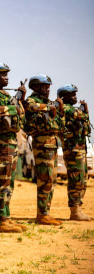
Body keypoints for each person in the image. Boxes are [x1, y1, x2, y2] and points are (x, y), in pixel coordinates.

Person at [0, 63, 28, 233]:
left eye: (7, 74)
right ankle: (0, 220)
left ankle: (6, 218)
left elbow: (18, 115)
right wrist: (13, 108)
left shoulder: (5, 95)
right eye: (2, 74)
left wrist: (20, 102)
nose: (6, 77)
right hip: (0, 142)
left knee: (8, 182)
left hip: (10, 141)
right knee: (2, 182)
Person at [23, 74, 64, 226]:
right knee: (44, 179)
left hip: (52, 143)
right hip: (42, 144)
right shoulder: (32, 100)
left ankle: (46, 212)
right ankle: (42, 215)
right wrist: (52, 107)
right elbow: (30, 107)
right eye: (44, 86)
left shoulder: (49, 103)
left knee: (51, 180)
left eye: (48, 86)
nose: (47, 89)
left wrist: (58, 109)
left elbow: (59, 123)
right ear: (34, 87)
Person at [57, 84, 93, 221]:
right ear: (63, 97)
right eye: (71, 95)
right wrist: (84, 112)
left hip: (79, 149)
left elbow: (86, 128)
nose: (75, 97)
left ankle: (78, 208)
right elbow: (80, 116)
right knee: (75, 180)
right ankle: (74, 211)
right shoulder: (66, 109)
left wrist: (85, 113)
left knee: (82, 179)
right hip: (72, 150)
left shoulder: (73, 110)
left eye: (75, 94)